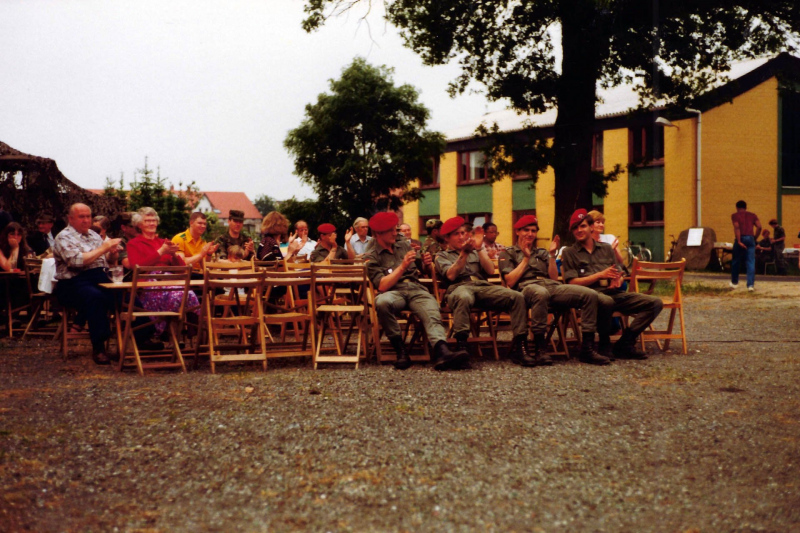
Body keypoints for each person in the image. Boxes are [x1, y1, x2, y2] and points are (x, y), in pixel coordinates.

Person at [366, 212, 469, 371]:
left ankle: (442, 350)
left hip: (415, 288)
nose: (396, 233)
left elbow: (421, 268)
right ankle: (401, 351)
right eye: (391, 230)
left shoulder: (404, 245)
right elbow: (382, 285)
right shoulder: (372, 256)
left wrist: (426, 265)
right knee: (382, 302)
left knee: (431, 305)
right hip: (393, 291)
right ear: (379, 233)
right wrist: (402, 267)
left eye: (396, 229)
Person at [500, 215, 609, 366]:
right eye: (526, 230)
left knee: (589, 294)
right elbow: (510, 282)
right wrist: (525, 258)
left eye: (533, 231)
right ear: (517, 231)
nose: (530, 234)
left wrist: (551, 255)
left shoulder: (542, 253)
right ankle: (540, 348)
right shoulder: (509, 252)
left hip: (550, 285)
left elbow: (554, 278)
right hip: (526, 287)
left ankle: (587, 348)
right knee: (540, 293)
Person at [561, 209, 663, 360]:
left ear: (591, 227)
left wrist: (618, 279)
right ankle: (604, 343)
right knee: (606, 301)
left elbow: (618, 272)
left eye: (582, 226)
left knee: (655, 303)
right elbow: (571, 282)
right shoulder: (569, 252)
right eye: (575, 228)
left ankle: (625, 343)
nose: (578, 230)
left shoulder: (606, 249)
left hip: (612, 293)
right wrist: (599, 275)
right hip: (588, 297)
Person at [434, 216, 532, 366]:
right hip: (459, 288)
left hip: (482, 287)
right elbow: (451, 275)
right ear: (447, 238)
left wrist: (479, 249)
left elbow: (490, 269)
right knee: (464, 296)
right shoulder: (442, 256)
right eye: (456, 234)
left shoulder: (475, 252)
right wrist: (464, 254)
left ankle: (520, 347)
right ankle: (462, 347)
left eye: (463, 233)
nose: (461, 237)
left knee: (517, 296)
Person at [52, 203, 122, 364]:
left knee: (124, 294)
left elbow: (107, 262)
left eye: (88, 216)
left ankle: (144, 336)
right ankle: (99, 347)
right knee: (95, 297)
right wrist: (104, 248)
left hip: (98, 277)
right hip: (72, 282)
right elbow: (76, 262)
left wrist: (112, 254)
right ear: (70, 219)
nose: (85, 220)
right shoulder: (63, 237)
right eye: (81, 217)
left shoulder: (94, 235)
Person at [126, 207, 200, 337]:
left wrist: (174, 255)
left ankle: (189, 330)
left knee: (189, 294)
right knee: (177, 295)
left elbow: (182, 269)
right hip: (148, 286)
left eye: (154, 220)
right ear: (139, 224)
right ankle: (170, 333)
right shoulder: (134, 244)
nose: (152, 223)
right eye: (147, 220)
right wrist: (160, 252)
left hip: (170, 281)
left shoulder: (163, 242)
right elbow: (136, 266)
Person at [171, 211, 219, 275]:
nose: (203, 226)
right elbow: (181, 263)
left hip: (199, 275)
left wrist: (209, 254)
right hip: (184, 276)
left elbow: (205, 266)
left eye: (205, 224)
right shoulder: (179, 238)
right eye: (200, 223)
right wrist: (200, 255)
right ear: (191, 223)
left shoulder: (203, 242)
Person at [730, 200, 761, 291]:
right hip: (750, 237)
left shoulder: (735, 216)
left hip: (741, 237)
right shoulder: (752, 215)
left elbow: (737, 227)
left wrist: (739, 241)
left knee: (736, 261)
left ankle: (734, 282)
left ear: (737, 207)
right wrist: (755, 237)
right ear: (746, 207)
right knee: (751, 262)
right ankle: (750, 285)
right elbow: (759, 227)